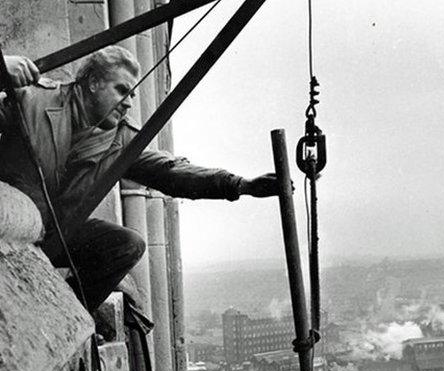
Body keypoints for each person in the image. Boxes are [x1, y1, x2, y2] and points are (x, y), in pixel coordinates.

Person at [0, 47, 278, 312]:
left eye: (133, 94)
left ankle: (62, 312)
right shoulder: (31, 99)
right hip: (11, 225)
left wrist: (239, 185)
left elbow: (169, 171)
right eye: (122, 90)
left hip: (55, 236)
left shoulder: (122, 140)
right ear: (93, 82)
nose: (129, 103)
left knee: (126, 245)